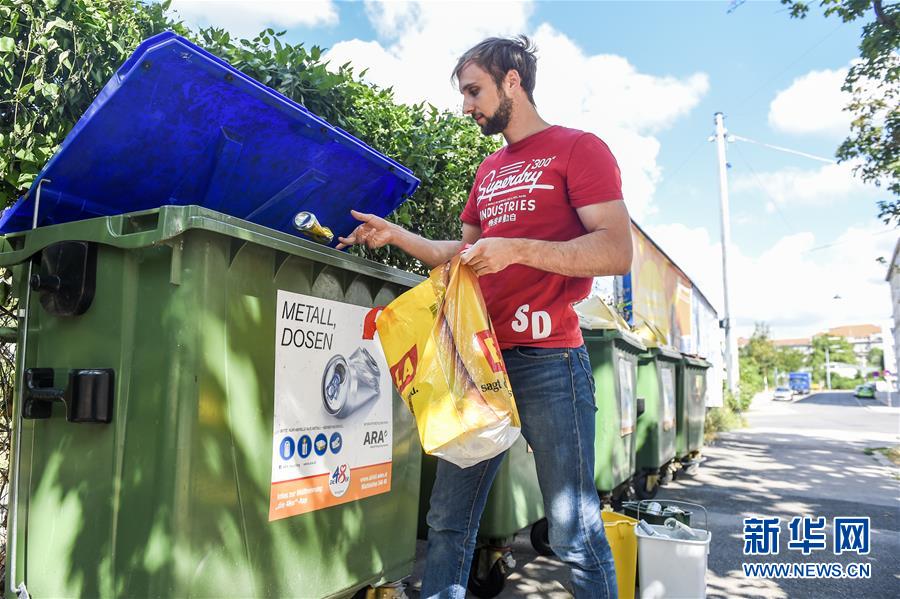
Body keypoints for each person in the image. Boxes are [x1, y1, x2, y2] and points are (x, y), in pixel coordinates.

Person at [337, 36, 632, 599]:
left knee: (573, 527)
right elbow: (465, 255)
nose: (467, 105)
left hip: (550, 360)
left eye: (474, 91)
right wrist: (400, 236)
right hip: (478, 367)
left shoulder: (578, 150)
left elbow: (616, 250)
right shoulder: (489, 170)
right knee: (448, 519)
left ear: (512, 80)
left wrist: (517, 248)